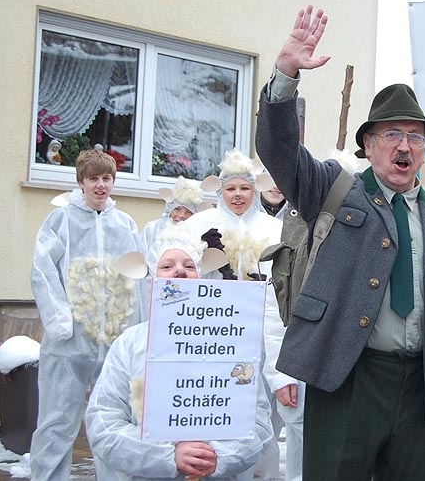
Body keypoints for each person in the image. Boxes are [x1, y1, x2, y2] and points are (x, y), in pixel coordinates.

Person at [255, 5, 425, 481]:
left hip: (422, 389)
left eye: (415, 137)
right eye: (392, 134)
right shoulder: (334, 189)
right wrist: (286, 73)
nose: (404, 146)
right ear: (369, 145)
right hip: (348, 378)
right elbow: (278, 150)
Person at [85, 227, 274, 480]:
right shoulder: (131, 343)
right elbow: (103, 421)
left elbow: (257, 421)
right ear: (152, 280)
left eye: (189, 265)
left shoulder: (230, 342)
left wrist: (217, 455)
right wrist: (167, 455)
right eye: (167, 266)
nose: (180, 271)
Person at [180, 148, 304, 481]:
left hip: (261, 341)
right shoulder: (198, 226)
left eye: (245, 188)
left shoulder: (272, 230)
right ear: (221, 190)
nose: (238, 195)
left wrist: (279, 369)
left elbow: (279, 297)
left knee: (262, 426)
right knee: (218, 419)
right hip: (212, 341)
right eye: (231, 188)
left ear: (254, 190)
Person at [30, 149, 146, 481]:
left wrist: (138, 331)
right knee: (57, 419)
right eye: (93, 178)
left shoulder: (125, 224)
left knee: (113, 420)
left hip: (114, 343)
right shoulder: (61, 221)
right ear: (81, 182)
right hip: (69, 343)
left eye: (106, 178)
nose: (100, 185)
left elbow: (139, 279)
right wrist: (58, 320)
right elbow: (43, 271)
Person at [141, 175, 208, 251]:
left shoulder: (200, 234)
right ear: (169, 209)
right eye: (177, 209)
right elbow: (142, 253)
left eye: (189, 212)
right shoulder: (152, 229)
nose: (182, 215)